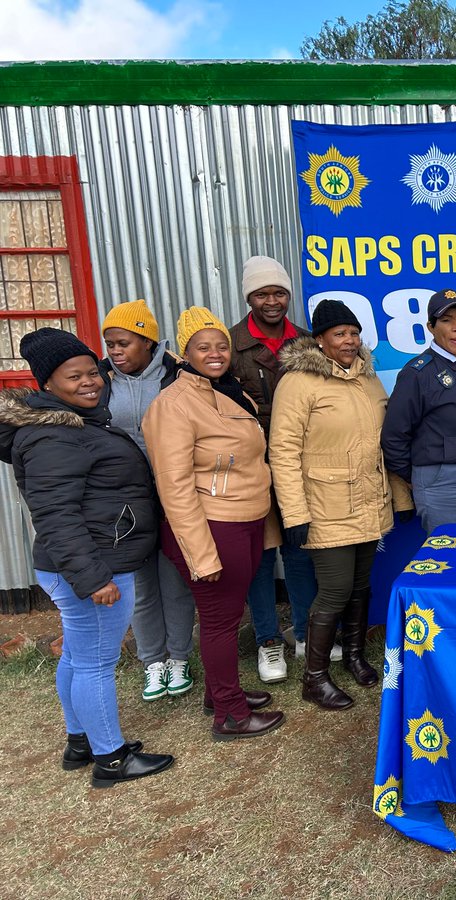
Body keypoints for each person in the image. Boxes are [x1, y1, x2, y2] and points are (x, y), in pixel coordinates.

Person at [0, 328, 173, 786]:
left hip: (86, 559)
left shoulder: (77, 423)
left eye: (92, 371)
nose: (89, 382)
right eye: (73, 376)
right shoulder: (54, 436)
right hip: (94, 564)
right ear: (48, 386)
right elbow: (55, 514)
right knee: (96, 661)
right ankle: (111, 758)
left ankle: (81, 742)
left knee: (77, 656)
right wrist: (94, 578)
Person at [143, 307, 285, 741]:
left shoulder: (228, 393)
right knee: (221, 620)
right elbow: (174, 485)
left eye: (222, 345)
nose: (216, 353)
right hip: (212, 526)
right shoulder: (173, 403)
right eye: (203, 346)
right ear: (183, 353)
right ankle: (230, 715)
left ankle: (219, 693)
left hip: (242, 520)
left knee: (222, 616)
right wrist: (200, 552)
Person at [270, 298, 414, 710]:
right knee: (333, 589)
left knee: (360, 585)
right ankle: (315, 678)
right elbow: (283, 451)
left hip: (369, 502)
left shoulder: (368, 379)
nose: (349, 341)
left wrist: (399, 496)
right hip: (325, 505)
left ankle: (353, 656)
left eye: (353, 333)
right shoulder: (298, 382)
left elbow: (385, 445)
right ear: (319, 340)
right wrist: (295, 512)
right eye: (339, 334)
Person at [99, 299, 196, 703]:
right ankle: (152, 661)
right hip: (124, 500)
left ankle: (179, 658)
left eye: (123, 343)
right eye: (110, 344)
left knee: (175, 580)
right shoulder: (100, 379)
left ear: (147, 342)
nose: (115, 352)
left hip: (170, 493)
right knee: (141, 586)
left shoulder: (177, 375)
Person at [228, 255, 317, 684]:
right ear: (249, 297)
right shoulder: (230, 344)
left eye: (279, 292)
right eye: (262, 293)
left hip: (300, 464)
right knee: (261, 557)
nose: (272, 301)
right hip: (252, 468)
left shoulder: (307, 341)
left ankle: (305, 633)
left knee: (300, 550)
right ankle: (268, 640)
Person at [382, 289, 456, 533]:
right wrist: (421, 475)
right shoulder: (418, 373)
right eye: (447, 320)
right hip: (443, 481)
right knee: (451, 559)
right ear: (431, 327)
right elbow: (393, 435)